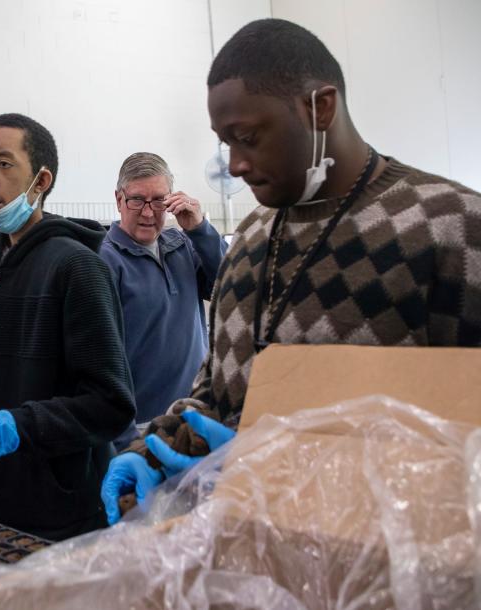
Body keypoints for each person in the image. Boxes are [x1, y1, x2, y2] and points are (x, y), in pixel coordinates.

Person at [102, 18, 481, 524]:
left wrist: (303, 469)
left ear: (319, 108)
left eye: (249, 137)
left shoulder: (448, 229)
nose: (234, 165)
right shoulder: (253, 239)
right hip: (253, 559)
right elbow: (216, 388)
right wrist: (151, 451)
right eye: (225, 142)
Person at [0, 113, 136, 540]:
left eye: (3, 163)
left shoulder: (77, 268)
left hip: (69, 510)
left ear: (40, 181)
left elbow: (109, 404)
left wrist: (20, 427)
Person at [100, 152, 226, 426]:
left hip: (198, 411)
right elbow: (98, 359)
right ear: (119, 199)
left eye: (158, 200)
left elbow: (229, 285)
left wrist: (200, 229)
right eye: (136, 200)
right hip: (141, 424)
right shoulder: (104, 261)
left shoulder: (182, 245)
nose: (148, 212)